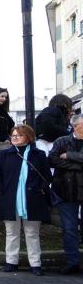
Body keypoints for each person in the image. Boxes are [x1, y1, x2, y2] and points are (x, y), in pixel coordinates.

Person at [0, 125, 51, 275]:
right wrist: (0, 190)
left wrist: (40, 189)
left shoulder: (39, 155)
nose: (15, 137)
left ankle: (35, 264)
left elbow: (46, 176)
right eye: (13, 135)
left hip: (32, 200)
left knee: (32, 233)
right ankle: (11, 262)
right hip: (10, 200)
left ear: (28, 137)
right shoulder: (5, 154)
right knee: (11, 232)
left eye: (19, 135)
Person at [49, 114, 83, 275]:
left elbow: (62, 159)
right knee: (69, 228)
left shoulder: (66, 148)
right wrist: (78, 165)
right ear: (75, 126)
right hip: (65, 190)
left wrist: (69, 156)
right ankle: (72, 261)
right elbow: (52, 160)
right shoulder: (62, 141)